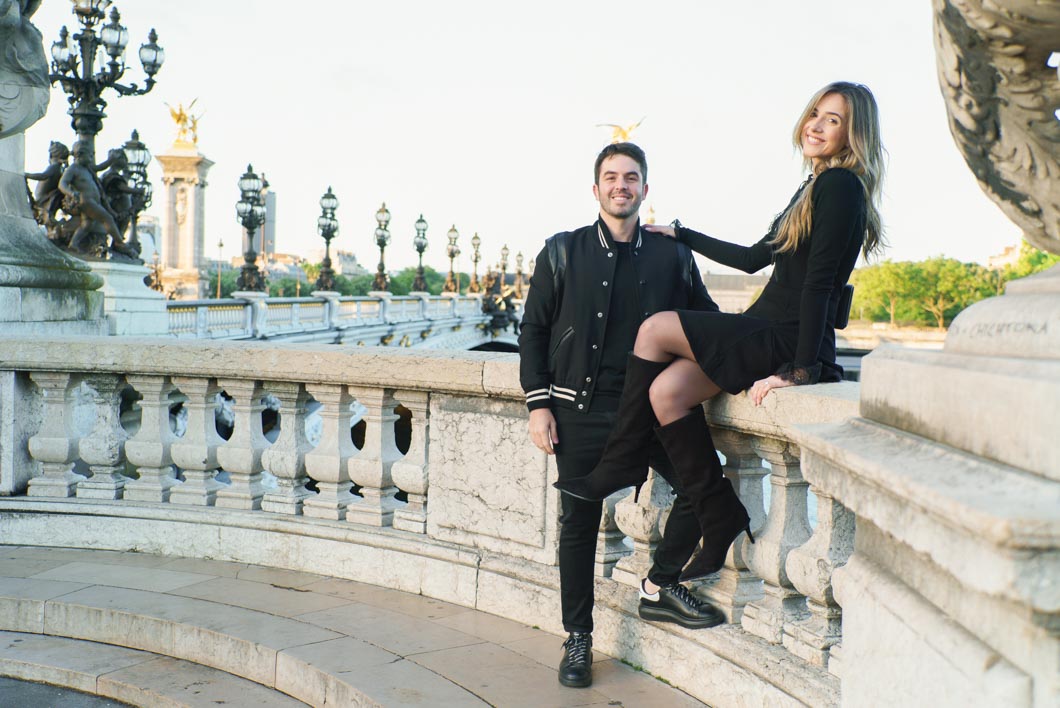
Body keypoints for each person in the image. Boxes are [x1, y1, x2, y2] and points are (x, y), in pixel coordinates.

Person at [556, 81, 885, 586]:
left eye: (833, 119)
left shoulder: (840, 187)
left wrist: (800, 370)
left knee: (653, 329)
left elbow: (820, 285)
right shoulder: (817, 185)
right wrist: (683, 234)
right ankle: (720, 513)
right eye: (815, 113)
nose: (816, 125)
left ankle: (621, 458)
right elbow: (755, 258)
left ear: (854, 132)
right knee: (666, 393)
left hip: (780, 332)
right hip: (768, 322)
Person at [519, 142, 722, 689]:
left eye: (631, 177)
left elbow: (708, 324)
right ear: (596, 189)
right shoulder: (562, 251)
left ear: (645, 190)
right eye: (611, 177)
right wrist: (539, 403)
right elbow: (533, 331)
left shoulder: (672, 256)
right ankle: (578, 638)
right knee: (578, 525)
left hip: (651, 413)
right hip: (578, 409)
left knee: (706, 490)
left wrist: (774, 358)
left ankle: (660, 583)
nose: (621, 186)